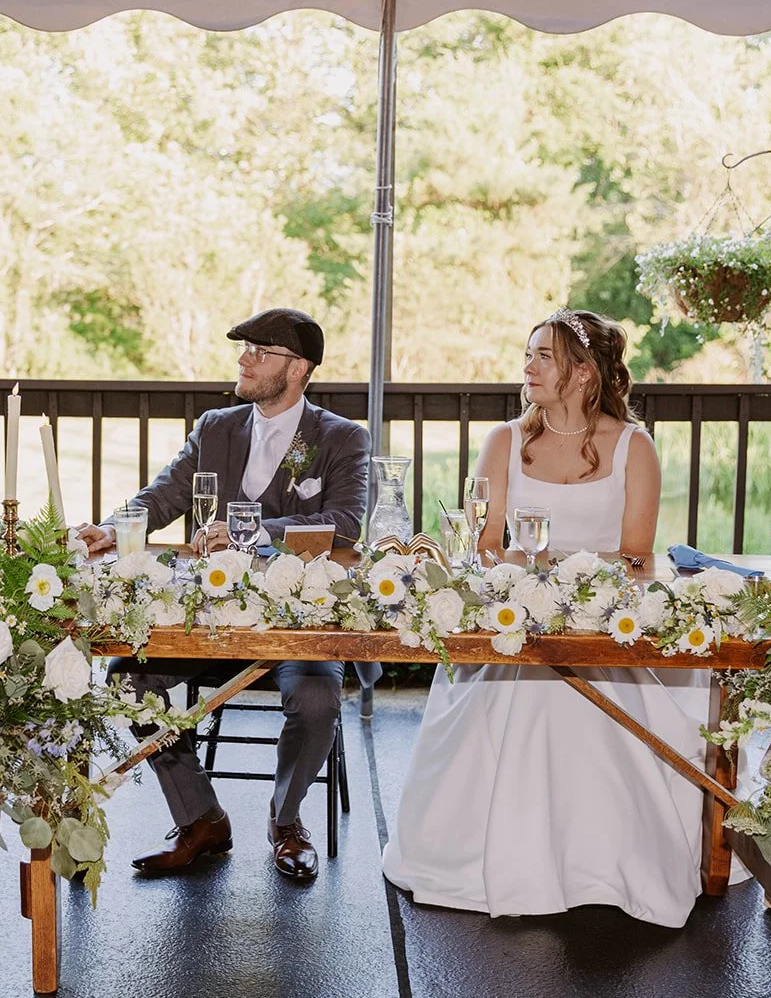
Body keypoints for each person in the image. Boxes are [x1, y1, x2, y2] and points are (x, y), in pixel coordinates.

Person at [381, 308, 711, 928]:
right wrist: (535, 577)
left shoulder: (633, 446)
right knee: (530, 689)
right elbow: (480, 549)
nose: (527, 367)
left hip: (600, 627)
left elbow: (639, 559)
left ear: (584, 373)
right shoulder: (504, 441)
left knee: (578, 698)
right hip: (517, 622)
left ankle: (603, 864)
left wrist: (560, 569)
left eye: (543, 356)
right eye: (527, 354)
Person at [74, 308, 369, 881]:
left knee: (315, 699)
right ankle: (202, 818)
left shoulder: (341, 438)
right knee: (128, 681)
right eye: (245, 349)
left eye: (261, 352)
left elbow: (348, 522)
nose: (244, 359)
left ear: (300, 367)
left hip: (296, 625)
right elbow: (160, 496)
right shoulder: (216, 427)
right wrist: (113, 528)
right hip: (209, 620)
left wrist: (254, 529)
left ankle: (286, 820)